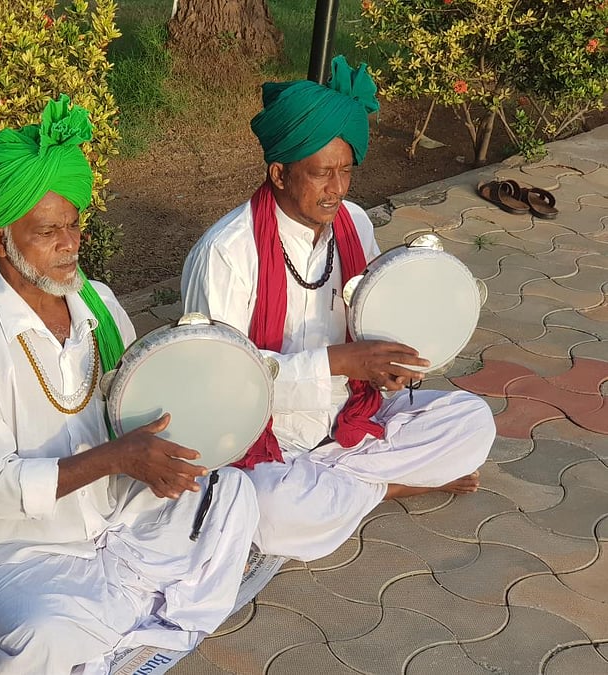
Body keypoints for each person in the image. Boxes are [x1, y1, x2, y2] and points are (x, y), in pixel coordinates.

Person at [0, 95, 259, 675]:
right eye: (47, 233)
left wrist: (176, 436)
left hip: (113, 517)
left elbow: (138, 406)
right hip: (15, 549)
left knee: (233, 496)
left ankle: (131, 626)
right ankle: (139, 621)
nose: (70, 244)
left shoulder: (99, 305)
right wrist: (117, 458)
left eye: (73, 224)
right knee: (44, 630)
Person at [180, 57, 495, 562]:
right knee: (276, 510)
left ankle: (341, 488)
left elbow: (375, 322)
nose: (338, 189)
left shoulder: (353, 223)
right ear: (279, 173)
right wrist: (340, 362)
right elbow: (221, 388)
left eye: (346, 171)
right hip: (268, 435)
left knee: (473, 422)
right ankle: (389, 488)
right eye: (321, 174)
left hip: (351, 414)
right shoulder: (227, 253)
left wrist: (390, 368)